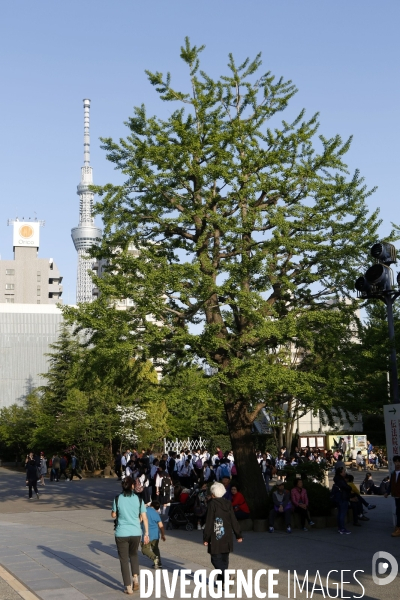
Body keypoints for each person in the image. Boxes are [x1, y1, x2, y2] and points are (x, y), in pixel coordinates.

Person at [111, 476, 149, 594]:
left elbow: (113, 515)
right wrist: (146, 533)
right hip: (136, 532)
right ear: (132, 486)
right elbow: (144, 518)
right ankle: (135, 578)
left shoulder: (117, 499)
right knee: (133, 555)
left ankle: (128, 587)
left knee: (123, 560)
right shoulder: (139, 500)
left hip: (121, 533)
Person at [203, 482, 242, 590]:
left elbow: (209, 521)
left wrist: (206, 537)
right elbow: (233, 519)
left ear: (213, 494)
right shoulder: (228, 503)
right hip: (227, 535)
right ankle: (222, 583)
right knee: (224, 559)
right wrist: (238, 534)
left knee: (215, 559)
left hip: (216, 536)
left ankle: (227, 576)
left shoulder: (212, 504)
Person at [140, 500, 166, 568]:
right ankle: (159, 563)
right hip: (155, 534)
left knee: (144, 549)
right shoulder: (156, 513)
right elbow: (161, 525)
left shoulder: (144, 510)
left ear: (151, 504)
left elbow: (140, 520)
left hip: (147, 535)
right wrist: (163, 535)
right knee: (155, 548)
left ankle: (154, 558)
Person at [332, 467, 355, 534]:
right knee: (342, 513)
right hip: (342, 498)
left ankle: (340, 527)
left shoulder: (337, 479)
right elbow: (346, 487)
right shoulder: (340, 480)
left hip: (339, 498)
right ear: (340, 473)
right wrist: (349, 487)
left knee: (340, 513)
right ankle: (342, 528)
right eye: (343, 472)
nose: (344, 473)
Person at [384, 454, 400, 537]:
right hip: (396, 495)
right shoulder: (393, 473)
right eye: (396, 461)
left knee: (399, 512)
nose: (397, 463)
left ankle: (398, 528)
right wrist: (387, 492)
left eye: (398, 461)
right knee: (398, 512)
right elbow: (391, 485)